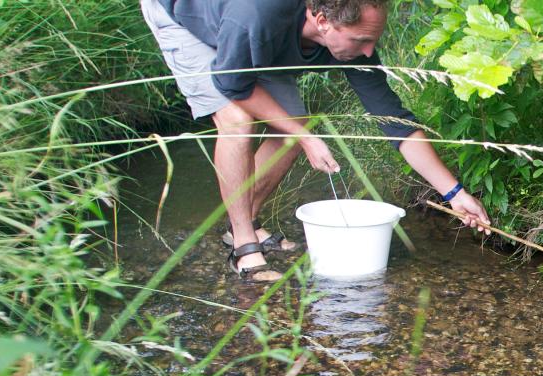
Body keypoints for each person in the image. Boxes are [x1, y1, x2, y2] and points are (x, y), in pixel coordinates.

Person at [141, 0, 492, 282]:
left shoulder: (356, 44)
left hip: (250, 37)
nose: (369, 52)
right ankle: (244, 245)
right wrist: (306, 137)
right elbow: (232, 84)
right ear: (322, 20)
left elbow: (396, 122)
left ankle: (238, 225)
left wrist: (455, 194)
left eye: (373, 40)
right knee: (237, 119)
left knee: (295, 129)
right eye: (360, 40)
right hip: (187, 18)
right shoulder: (259, 11)